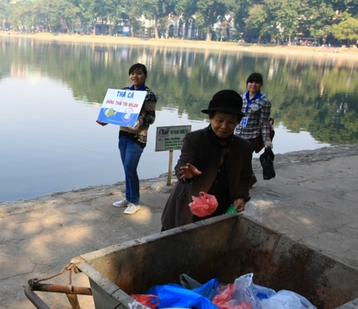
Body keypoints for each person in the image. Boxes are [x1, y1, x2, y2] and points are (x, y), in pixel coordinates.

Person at [161, 90, 252, 231]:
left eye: (231, 122)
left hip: (222, 209)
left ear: (238, 122)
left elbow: (244, 178)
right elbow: (183, 163)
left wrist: (241, 197)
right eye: (220, 120)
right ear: (210, 118)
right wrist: (187, 174)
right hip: (190, 206)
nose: (224, 126)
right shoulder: (194, 139)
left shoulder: (244, 147)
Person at [97, 63, 157, 215]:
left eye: (139, 73)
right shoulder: (124, 92)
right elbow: (116, 111)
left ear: (145, 76)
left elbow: (151, 117)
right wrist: (106, 119)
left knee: (130, 168)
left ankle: (135, 202)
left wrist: (140, 122)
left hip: (138, 137)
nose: (135, 76)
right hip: (123, 135)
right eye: (132, 73)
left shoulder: (149, 95)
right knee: (126, 169)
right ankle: (128, 198)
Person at [234, 72, 272, 186]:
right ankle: (250, 178)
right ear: (247, 83)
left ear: (261, 84)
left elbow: (264, 123)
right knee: (243, 158)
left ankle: (244, 181)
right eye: (251, 82)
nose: (253, 84)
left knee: (242, 157)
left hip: (252, 136)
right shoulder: (241, 98)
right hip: (239, 133)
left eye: (257, 82)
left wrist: (266, 140)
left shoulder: (264, 102)